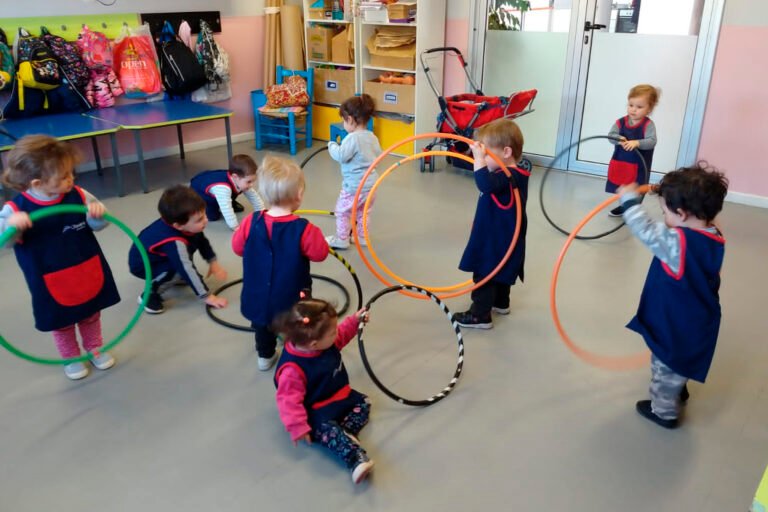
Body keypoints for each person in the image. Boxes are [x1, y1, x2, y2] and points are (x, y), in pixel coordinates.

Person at [617, 163, 728, 429]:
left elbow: (645, 230)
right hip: (697, 318)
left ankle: (664, 411)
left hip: (675, 322)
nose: (662, 215)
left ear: (681, 213)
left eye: (664, 210)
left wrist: (629, 202)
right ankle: (679, 384)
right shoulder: (713, 234)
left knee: (664, 365)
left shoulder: (677, 242)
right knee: (679, 360)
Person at [0, 135, 119, 380]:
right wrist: (14, 227)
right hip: (48, 275)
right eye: (64, 176)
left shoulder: (79, 194)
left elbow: (98, 225)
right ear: (37, 182)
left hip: (85, 266)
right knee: (62, 320)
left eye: (71, 173)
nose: (71, 179)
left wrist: (98, 215)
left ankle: (94, 348)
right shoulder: (14, 210)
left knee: (90, 311)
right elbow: (7, 241)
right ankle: (71, 357)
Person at [232, 156, 328, 370]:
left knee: (262, 326)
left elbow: (237, 248)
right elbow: (320, 254)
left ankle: (265, 357)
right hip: (291, 299)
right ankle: (295, 351)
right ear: (299, 195)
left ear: (263, 194)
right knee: (294, 324)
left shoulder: (250, 221)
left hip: (257, 296)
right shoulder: (305, 229)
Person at [273, 298, 374, 484]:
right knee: (325, 429)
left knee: (364, 402)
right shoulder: (292, 370)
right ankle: (354, 457)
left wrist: (355, 320)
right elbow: (287, 400)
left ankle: (343, 435)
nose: (337, 334)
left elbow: (343, 333)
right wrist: (297, 426)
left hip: (340, 395)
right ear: (314, 344)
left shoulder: (326, 343)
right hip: (318, 410)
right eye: (332, 332)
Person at [454, 119, 529, 330]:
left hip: (495, 236)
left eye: (487, 153)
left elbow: (484, 185)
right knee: (503, 267)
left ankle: (480, 315)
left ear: (506, 152)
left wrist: (478, 160)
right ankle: (501, 303)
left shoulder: (507, 176)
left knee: (485, 270)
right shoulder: (516, 173)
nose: (483, 158)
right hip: (504, 233)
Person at [128, 185, 228, 315]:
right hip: (143, 266)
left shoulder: (184, 224)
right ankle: (149, 295)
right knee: (178, 268)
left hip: (160, 257)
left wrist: (213, 262)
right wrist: (207, 296)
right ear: (178, 226)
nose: (206, 221)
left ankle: (174, 277)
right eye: (199, 220)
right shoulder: (174, 242)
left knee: (186, 254)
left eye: (204, 215)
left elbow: (202, 242)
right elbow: (186, 267)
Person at [325, 94, 382, 249]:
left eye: (344, 120)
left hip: (354, 187)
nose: (344, 124)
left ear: (350, 119)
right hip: (371, 186)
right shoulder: (372, 137)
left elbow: (341, 156)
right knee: (364, 212)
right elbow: (379, 155)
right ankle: (362, 238)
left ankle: (342, 239)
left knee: (342, 212)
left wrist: (332, 145)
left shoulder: (352, 138)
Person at [606, 84, 660, 216]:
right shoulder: (620, 122)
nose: (633, 110)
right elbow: (610, 136)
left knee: (637, 186)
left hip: (639, 165)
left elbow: (652, 141)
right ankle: (624, 206)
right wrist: (618, 138)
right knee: (622, 185)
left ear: (649, 109)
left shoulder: (648, 125)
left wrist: (637, 142)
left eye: (639, 107)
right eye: (631, 105)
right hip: (622, 161)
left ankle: (634, 209)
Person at [189, 154, 264, 230]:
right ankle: (208, 205)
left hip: (216, 187)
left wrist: (262, 213)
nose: (251, 185)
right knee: (213, 216)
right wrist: (235, 226)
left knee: (235, 191)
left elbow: (253, 196)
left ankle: (226, 200)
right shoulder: (223, 188)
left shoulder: (240, 180)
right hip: (200, 194)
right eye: (249, 182)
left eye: (252, 181)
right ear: (235, 177)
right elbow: (226, 208)